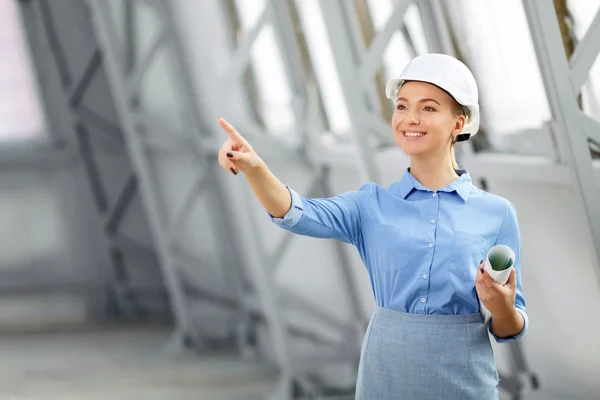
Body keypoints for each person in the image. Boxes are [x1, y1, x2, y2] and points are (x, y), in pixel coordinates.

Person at [216, 53, 527, 399]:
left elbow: (510, 327)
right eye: (403, 106)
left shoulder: (497, 213)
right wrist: (255, 169)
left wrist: (501, 307)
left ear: (459, 122)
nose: (410, 119)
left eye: (428, 108)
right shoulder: (370, 205)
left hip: (465, 378)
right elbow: (297, 212)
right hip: (386, 373)